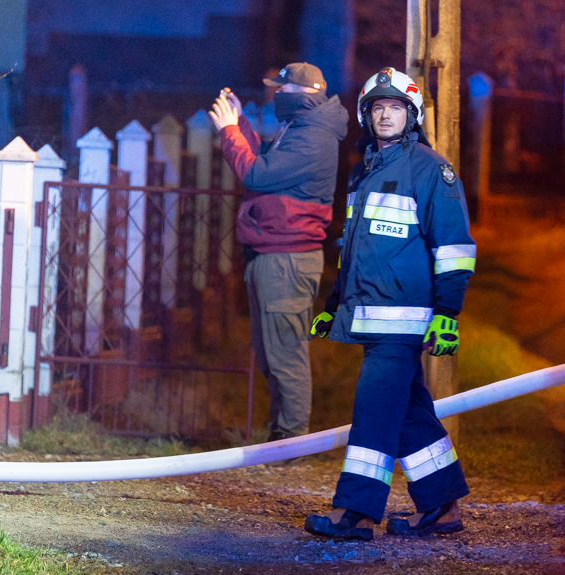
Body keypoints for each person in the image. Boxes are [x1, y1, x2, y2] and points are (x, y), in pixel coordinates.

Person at [303, 67, 476, 540]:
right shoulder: (364, 172)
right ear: (366, 114)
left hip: (404, 320)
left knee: (376, 410)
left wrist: (447, 314)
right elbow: (354, 250)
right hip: (370, 313)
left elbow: (455, 248)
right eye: (377, 108)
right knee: (407, 413)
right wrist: (333, 304)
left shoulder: (429, 170)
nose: (385, 115)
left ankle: (355, 512)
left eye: (395, 108)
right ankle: (442, 507)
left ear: (411, 116)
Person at [208, 63, 349, 441]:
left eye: (281, 91)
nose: (275, 97)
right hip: (274, 254)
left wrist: (229, 133)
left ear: (302, 95)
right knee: (272, 354)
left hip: (287, 260)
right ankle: (281, 438)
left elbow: (256, 175)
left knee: (285, 355)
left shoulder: (314, 137)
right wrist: (240, 125)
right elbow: (265, 167)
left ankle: (291, 440)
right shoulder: (302, 128)